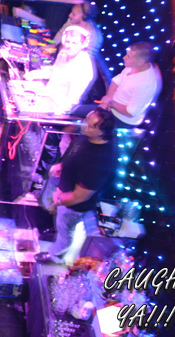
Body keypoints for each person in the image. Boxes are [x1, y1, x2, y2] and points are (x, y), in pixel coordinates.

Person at [35, 109, 118, 265]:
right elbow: (75, 150)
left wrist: (59, 200)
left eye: (91, 126)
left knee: (65, 231)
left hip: (72, 206)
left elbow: (80, 196)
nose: (85, 125)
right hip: (64, 189)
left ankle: (56, 257)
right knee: (60, 224)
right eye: (86, 120)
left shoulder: (100, 162)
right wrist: (61, 165)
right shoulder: (90, 137)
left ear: (101, 132)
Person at [94, 42, 161, 127]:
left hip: (122, 120)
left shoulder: (146, 83)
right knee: (79, 112)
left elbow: (130, 112)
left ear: (140, 62)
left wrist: (110, 103)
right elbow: (115, 82)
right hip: (111, 108)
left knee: (88, 125)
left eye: (128, 56)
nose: (124, 57)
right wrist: (107, 101)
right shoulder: (134, 65)